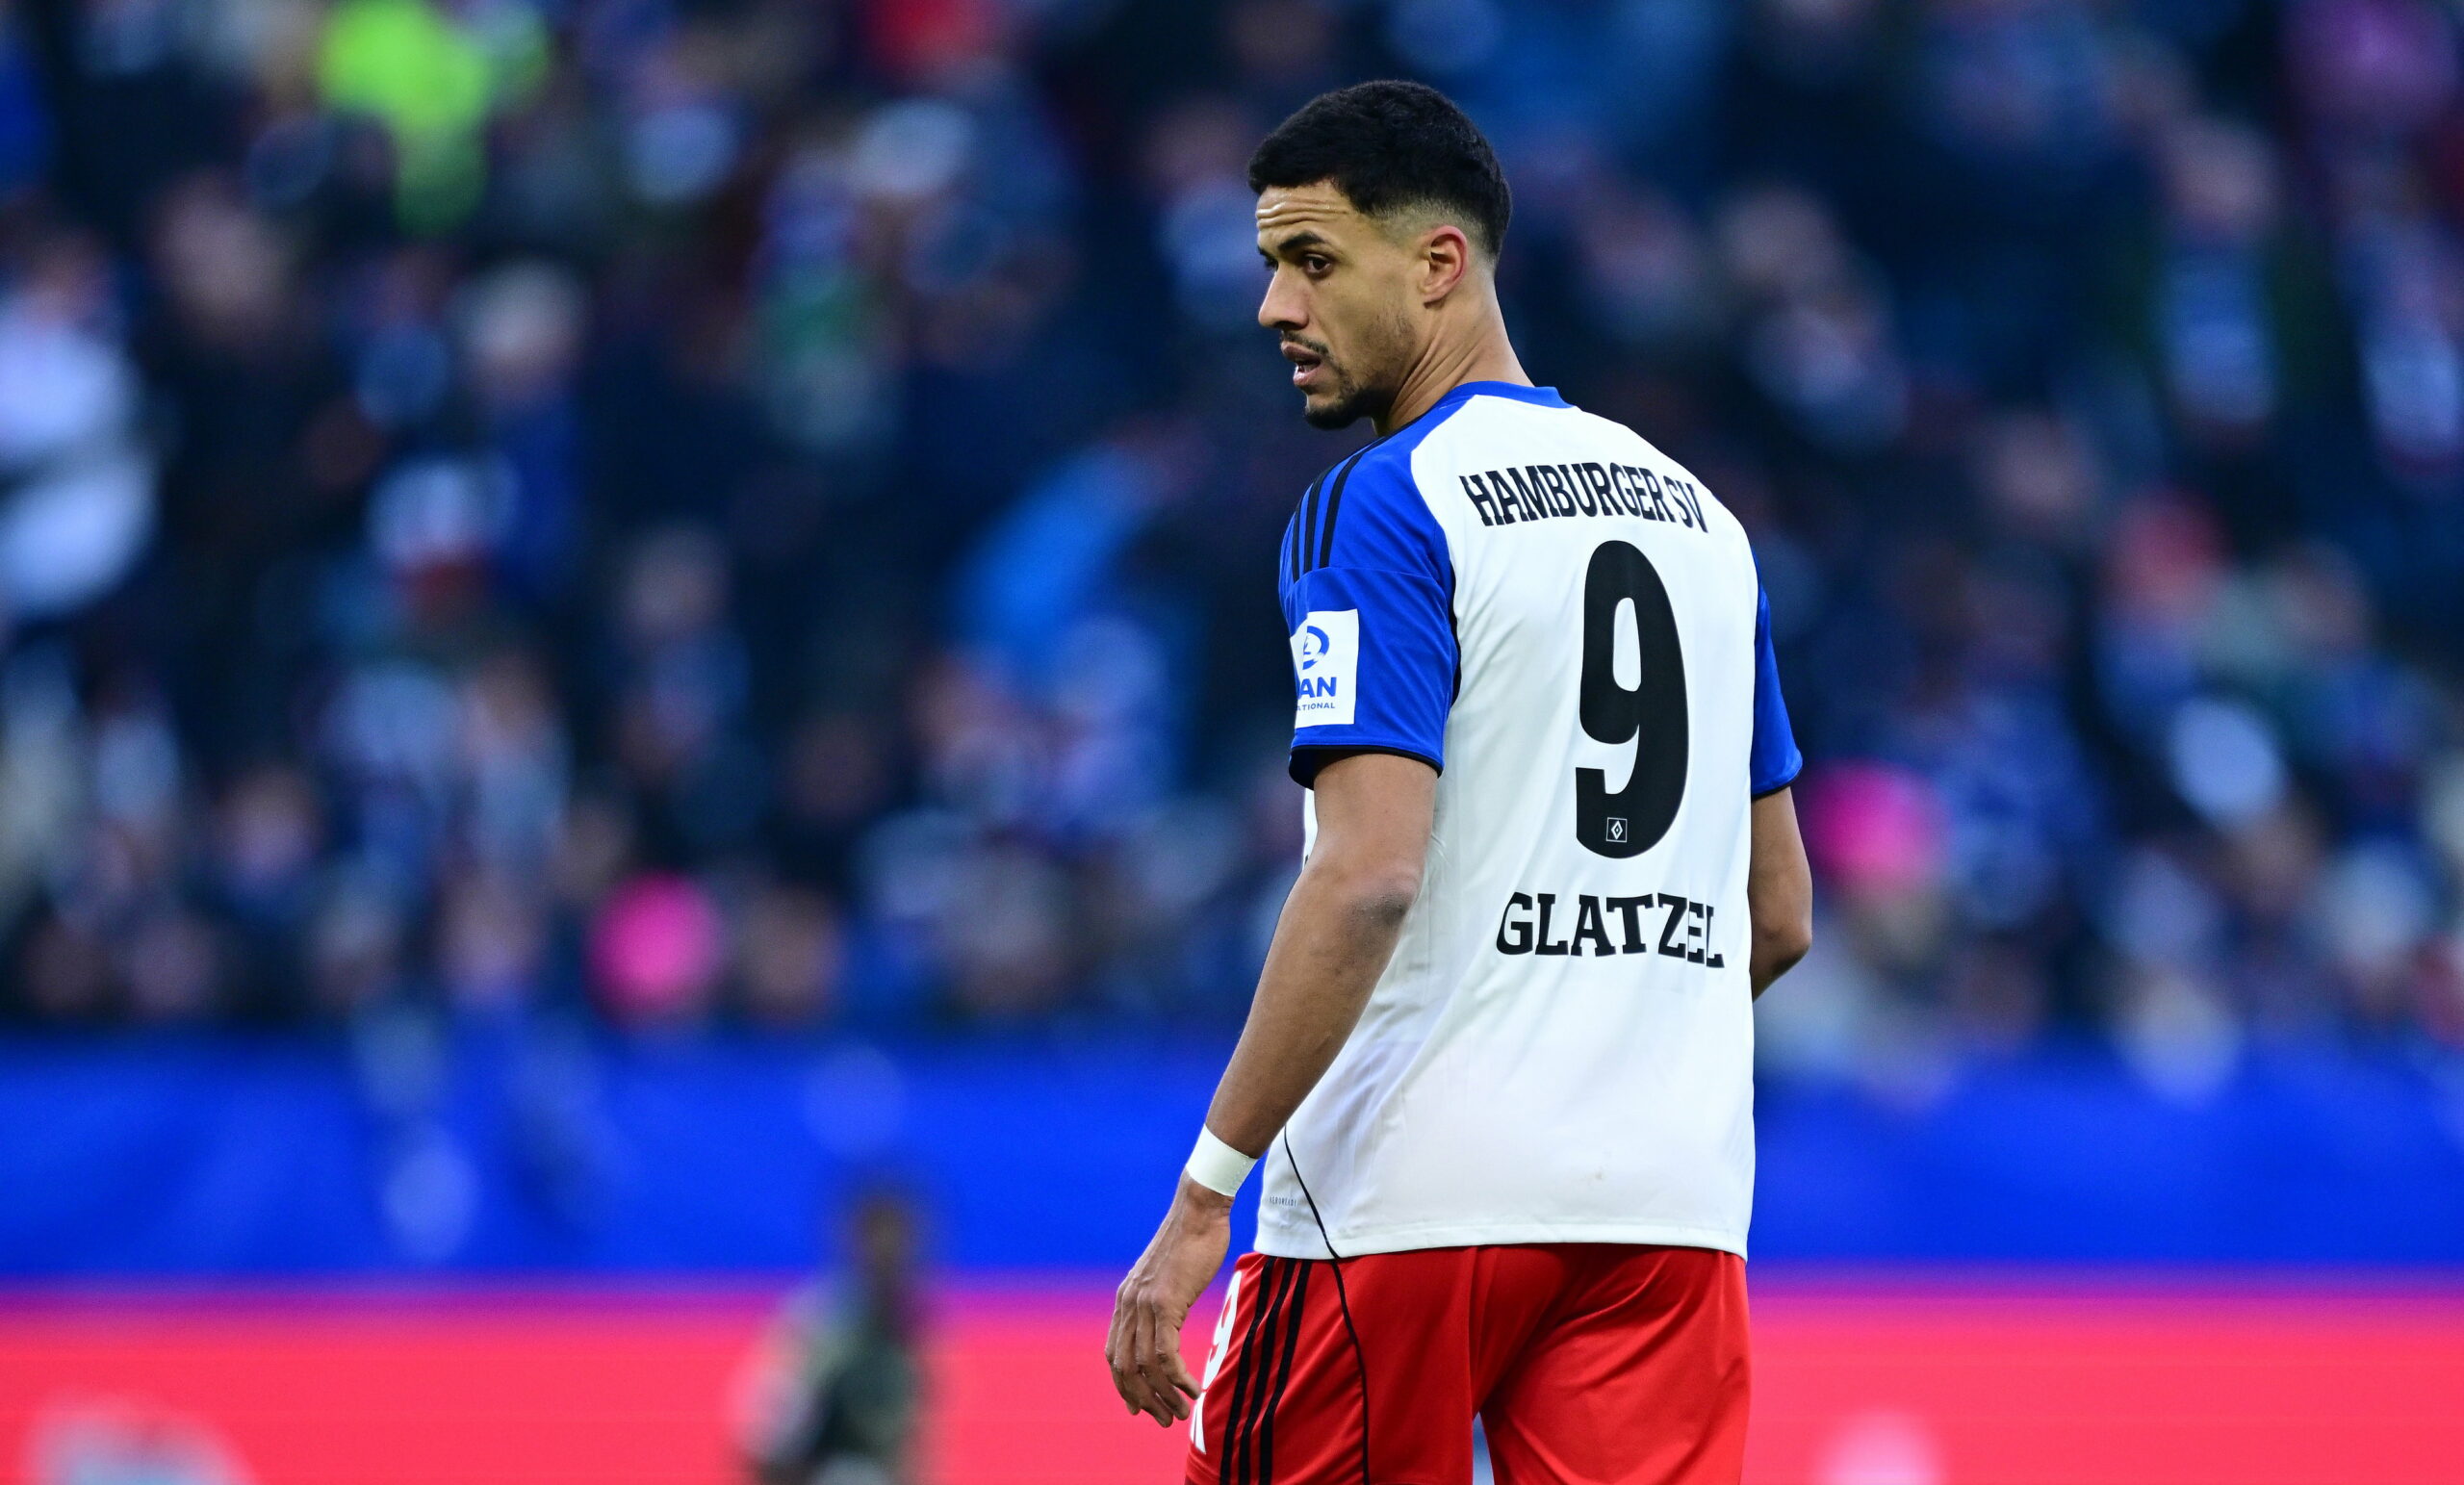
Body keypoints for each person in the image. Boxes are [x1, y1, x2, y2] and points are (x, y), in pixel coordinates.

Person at [1104, 81, 1813, 1485]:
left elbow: (1368, 876)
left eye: (1313, 261)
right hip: (1666, 1207)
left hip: (1404, 1199)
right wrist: (1589, 1037)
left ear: (1439, 263)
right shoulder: (1706, 525)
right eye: (1271, 266)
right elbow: (1778, 912)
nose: (1275, 309)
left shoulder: (1386, 500)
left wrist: (1200, 1201)